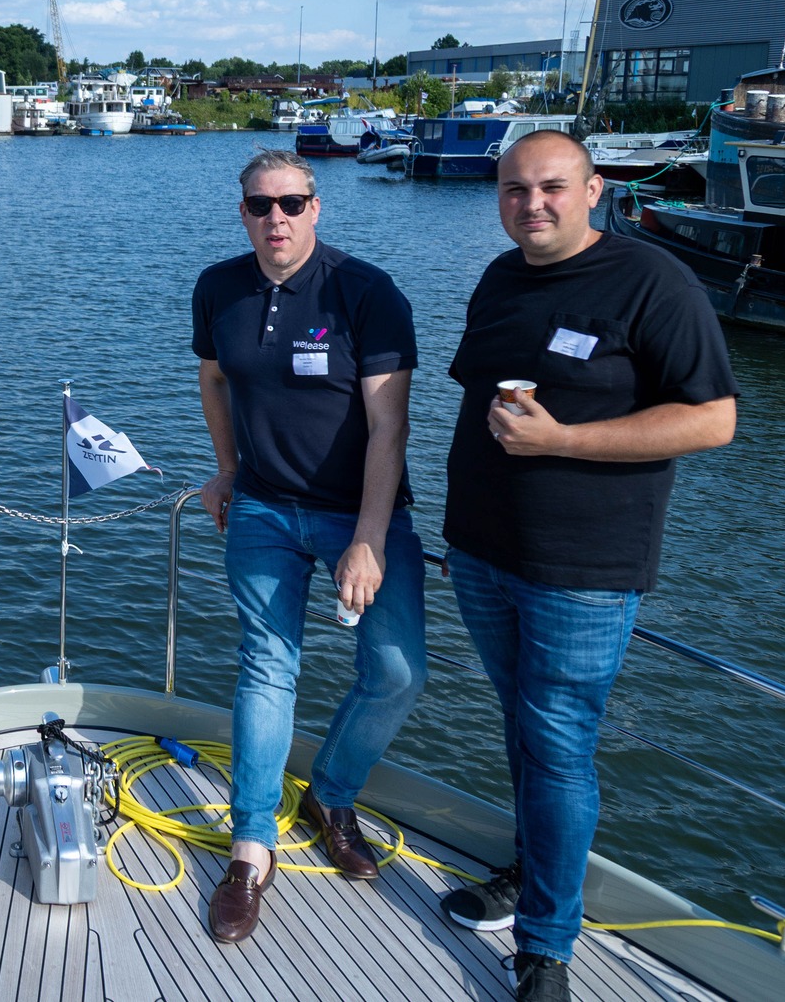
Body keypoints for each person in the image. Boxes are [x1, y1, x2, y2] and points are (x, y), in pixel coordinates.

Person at [439, 131, 737, 1002]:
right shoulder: (501, 277)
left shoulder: (653, 281)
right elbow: (480, 398)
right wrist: (462, 530)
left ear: (595, 189)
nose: (532, 204)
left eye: (552, 187)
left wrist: (563, 440)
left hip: (582, 566)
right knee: (523, 729)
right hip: (483, 552)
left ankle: (546, 947)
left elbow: (714, 418)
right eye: (515, 189)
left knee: (559, 746)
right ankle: (529, 872)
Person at [192, 147, 427, 945]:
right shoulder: (218, 288)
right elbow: (214, 380)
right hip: (262, 509)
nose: (277, 218)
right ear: (243, 213)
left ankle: (331, 791)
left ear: (316, 207)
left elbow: (390, 424)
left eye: (291, 203)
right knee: (267, 666)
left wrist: (368, 537)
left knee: (397, 670)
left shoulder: (367, 291)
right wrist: (228, 468)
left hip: (361, 513)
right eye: (261, 205)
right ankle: (250, 846)